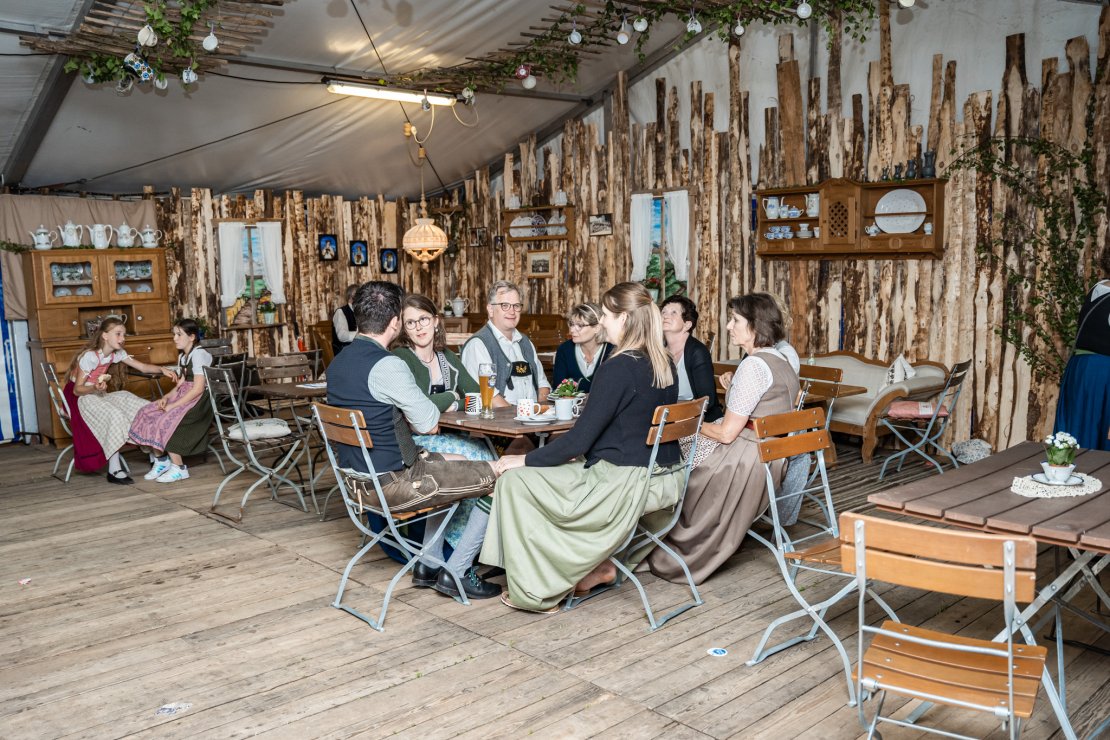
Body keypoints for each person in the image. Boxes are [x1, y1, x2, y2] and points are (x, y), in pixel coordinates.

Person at [481, 282, 683, 613]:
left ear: (624, 319)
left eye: (605, 315)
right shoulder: (664, 362)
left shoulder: (619, 367)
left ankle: (536, 590)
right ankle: (595, 567)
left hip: (621, 484)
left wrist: (525, 459)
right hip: (666, 479)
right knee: (547, 473)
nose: (601, 321)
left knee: (515, 482)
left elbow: (578, 441)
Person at [327, 281, 502, 600]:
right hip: (394, 483)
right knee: (499, 477)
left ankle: (428, 563)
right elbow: (428, 423)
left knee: (462, 462)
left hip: (356, 483)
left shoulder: (338, 363)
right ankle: (458, 570)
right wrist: (452, 396)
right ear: (396, 322)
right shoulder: (388, 364)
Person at [647, 293, 800, 585]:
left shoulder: (754, 366)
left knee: (670, 459)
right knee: (680, 448)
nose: (729, 326)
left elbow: (728, 433)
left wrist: (688, 423)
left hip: (745, 459)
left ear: (755, 326)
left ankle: (658, 537)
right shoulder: (780, 359)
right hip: (771, 455)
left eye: (735, 321)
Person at [64, 316, 177, 484]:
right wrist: (95, 388)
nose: (122, 338)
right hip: (80, 397)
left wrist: (162, 369)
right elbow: (77, 389)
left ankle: (158, 457)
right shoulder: (90, 357)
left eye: (124, 335)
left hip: (98, 393)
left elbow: (142, 367)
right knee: (115, 415)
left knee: (143, 406)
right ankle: (114, 469)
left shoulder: (116, 353)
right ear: (105, 335)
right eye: (118, 334)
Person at [128, 319, 214, 483]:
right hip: (184, 396)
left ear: (192, 337)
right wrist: (165, 398)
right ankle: (161, 460)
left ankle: (179, 468)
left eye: (179, 334)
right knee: (148, 412)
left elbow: (198, 389)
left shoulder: (199, 355)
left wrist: (173, 405)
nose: (175, 338)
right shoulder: (183, 356)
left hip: (200, 401)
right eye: (174, 334)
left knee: (166, 419)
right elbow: (181, 386)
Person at [461, 280, 551, 408]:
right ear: (490, 309)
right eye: (505, 305)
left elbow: (543, 385)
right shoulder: (478, 345)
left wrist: (539, 413)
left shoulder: (526, 342)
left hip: (532, 418)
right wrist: (519, 416)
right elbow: (489, 397)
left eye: (516, 306)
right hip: (499, 419)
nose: (512, 311)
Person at [1055, 249, 1110, 450]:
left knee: (1079, 428)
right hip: (1101, 372)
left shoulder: (1100, 287)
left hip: (1080, 368)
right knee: (1095, 431)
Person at [660, 295, 724, 422]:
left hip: (699, 422)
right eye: (664, 312)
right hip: (667, 418)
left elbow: (708, 400)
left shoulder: (697, 352)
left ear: (687, 324)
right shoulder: (658, 351)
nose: (666, 316)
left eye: (674, 313)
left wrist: (670, 410)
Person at [551, 302, 612, 393]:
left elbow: (612, 389)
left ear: (597, 328)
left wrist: (575, 385)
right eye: (571, 324)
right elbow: (558, 388)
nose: (572, 330)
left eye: (580, 325)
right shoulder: (564, 350)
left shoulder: (612, 351)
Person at [331, 284, 359, 357]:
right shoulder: (340, 312)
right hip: (344, 353)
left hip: (358, 350)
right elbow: (342, 336)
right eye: (359, 295)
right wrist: (362, 335)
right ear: (350, 297)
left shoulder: (361, 313)